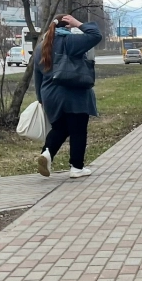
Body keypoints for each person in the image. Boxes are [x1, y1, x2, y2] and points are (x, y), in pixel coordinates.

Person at [33, 14, 103, 179]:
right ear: (67, 26)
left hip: (50, 95)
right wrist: (78, 23)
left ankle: (48, 153)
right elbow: (95, 35)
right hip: (74, 93)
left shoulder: (41, 46)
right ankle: (76, 167)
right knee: (78, 129)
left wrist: (41, 98)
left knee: (60, 128)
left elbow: (37, 75)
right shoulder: (69, 42)